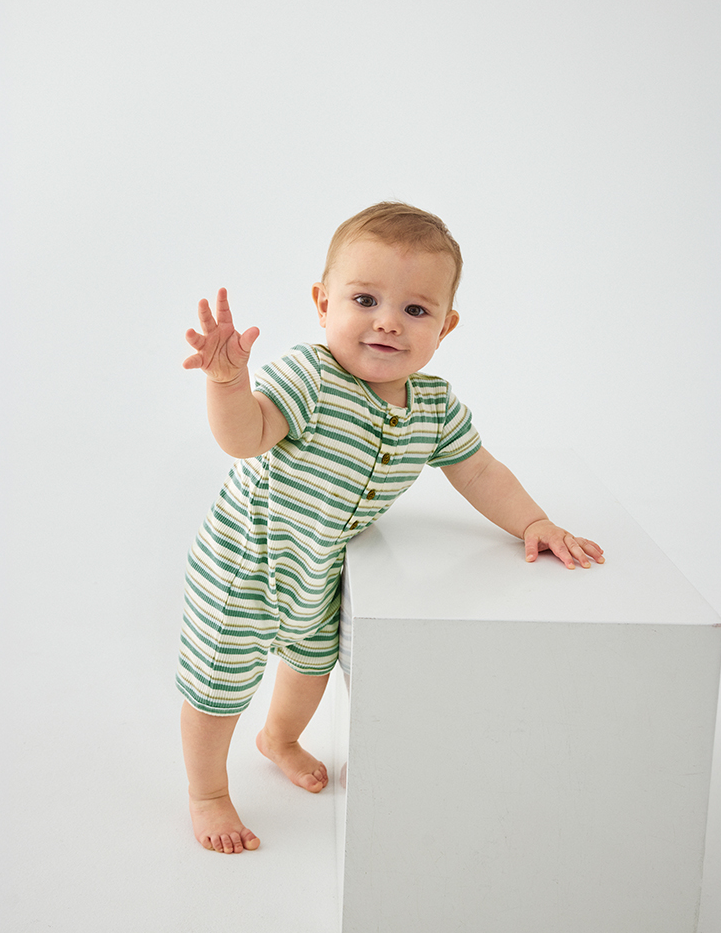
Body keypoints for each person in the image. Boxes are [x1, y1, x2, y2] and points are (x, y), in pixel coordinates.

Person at [177, 202, 604, 854]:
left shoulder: (433, 407)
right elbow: (246, 437)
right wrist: (228, 383)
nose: (387, 321)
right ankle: (207, 791)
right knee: (220, 684)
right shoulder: (310, 377)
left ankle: (279, 738)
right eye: (365, 299)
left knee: (309, 667)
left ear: (445, 326)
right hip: (246, 562)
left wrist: (533, 520)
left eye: (415, 309)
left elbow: (479, 471)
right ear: (323, 304)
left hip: (319, 569)